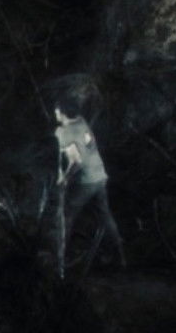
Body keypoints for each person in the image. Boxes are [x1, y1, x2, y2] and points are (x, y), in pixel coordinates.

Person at [53, 109, 124, 273]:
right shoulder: (81, 120)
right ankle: (120, 256)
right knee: (105, 215)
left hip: (87, 181)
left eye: (57, 109)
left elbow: (77, 162)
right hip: (100, 175)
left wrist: (64, 179)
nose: (54, 112)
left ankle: (59, 262)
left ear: (62, 112)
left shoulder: (64, 132)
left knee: (66, 215)